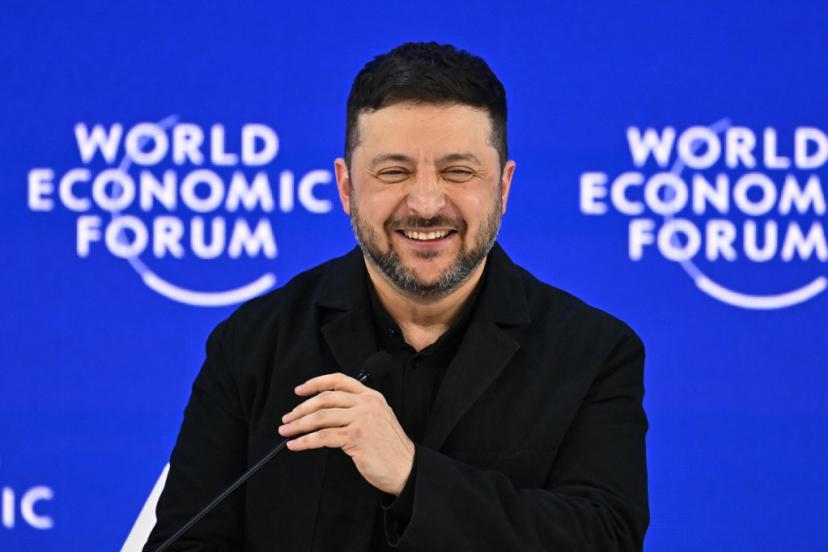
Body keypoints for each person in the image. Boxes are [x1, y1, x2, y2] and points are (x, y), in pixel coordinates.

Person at [144, 42, 649, 551]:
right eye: (393, 172)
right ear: (346, 187)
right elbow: (185, 542)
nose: (426, 204)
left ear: (503, 187)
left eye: (458, 171)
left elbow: (605, 539)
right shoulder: (252, 342)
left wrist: (411, 474)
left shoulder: (595, 352)